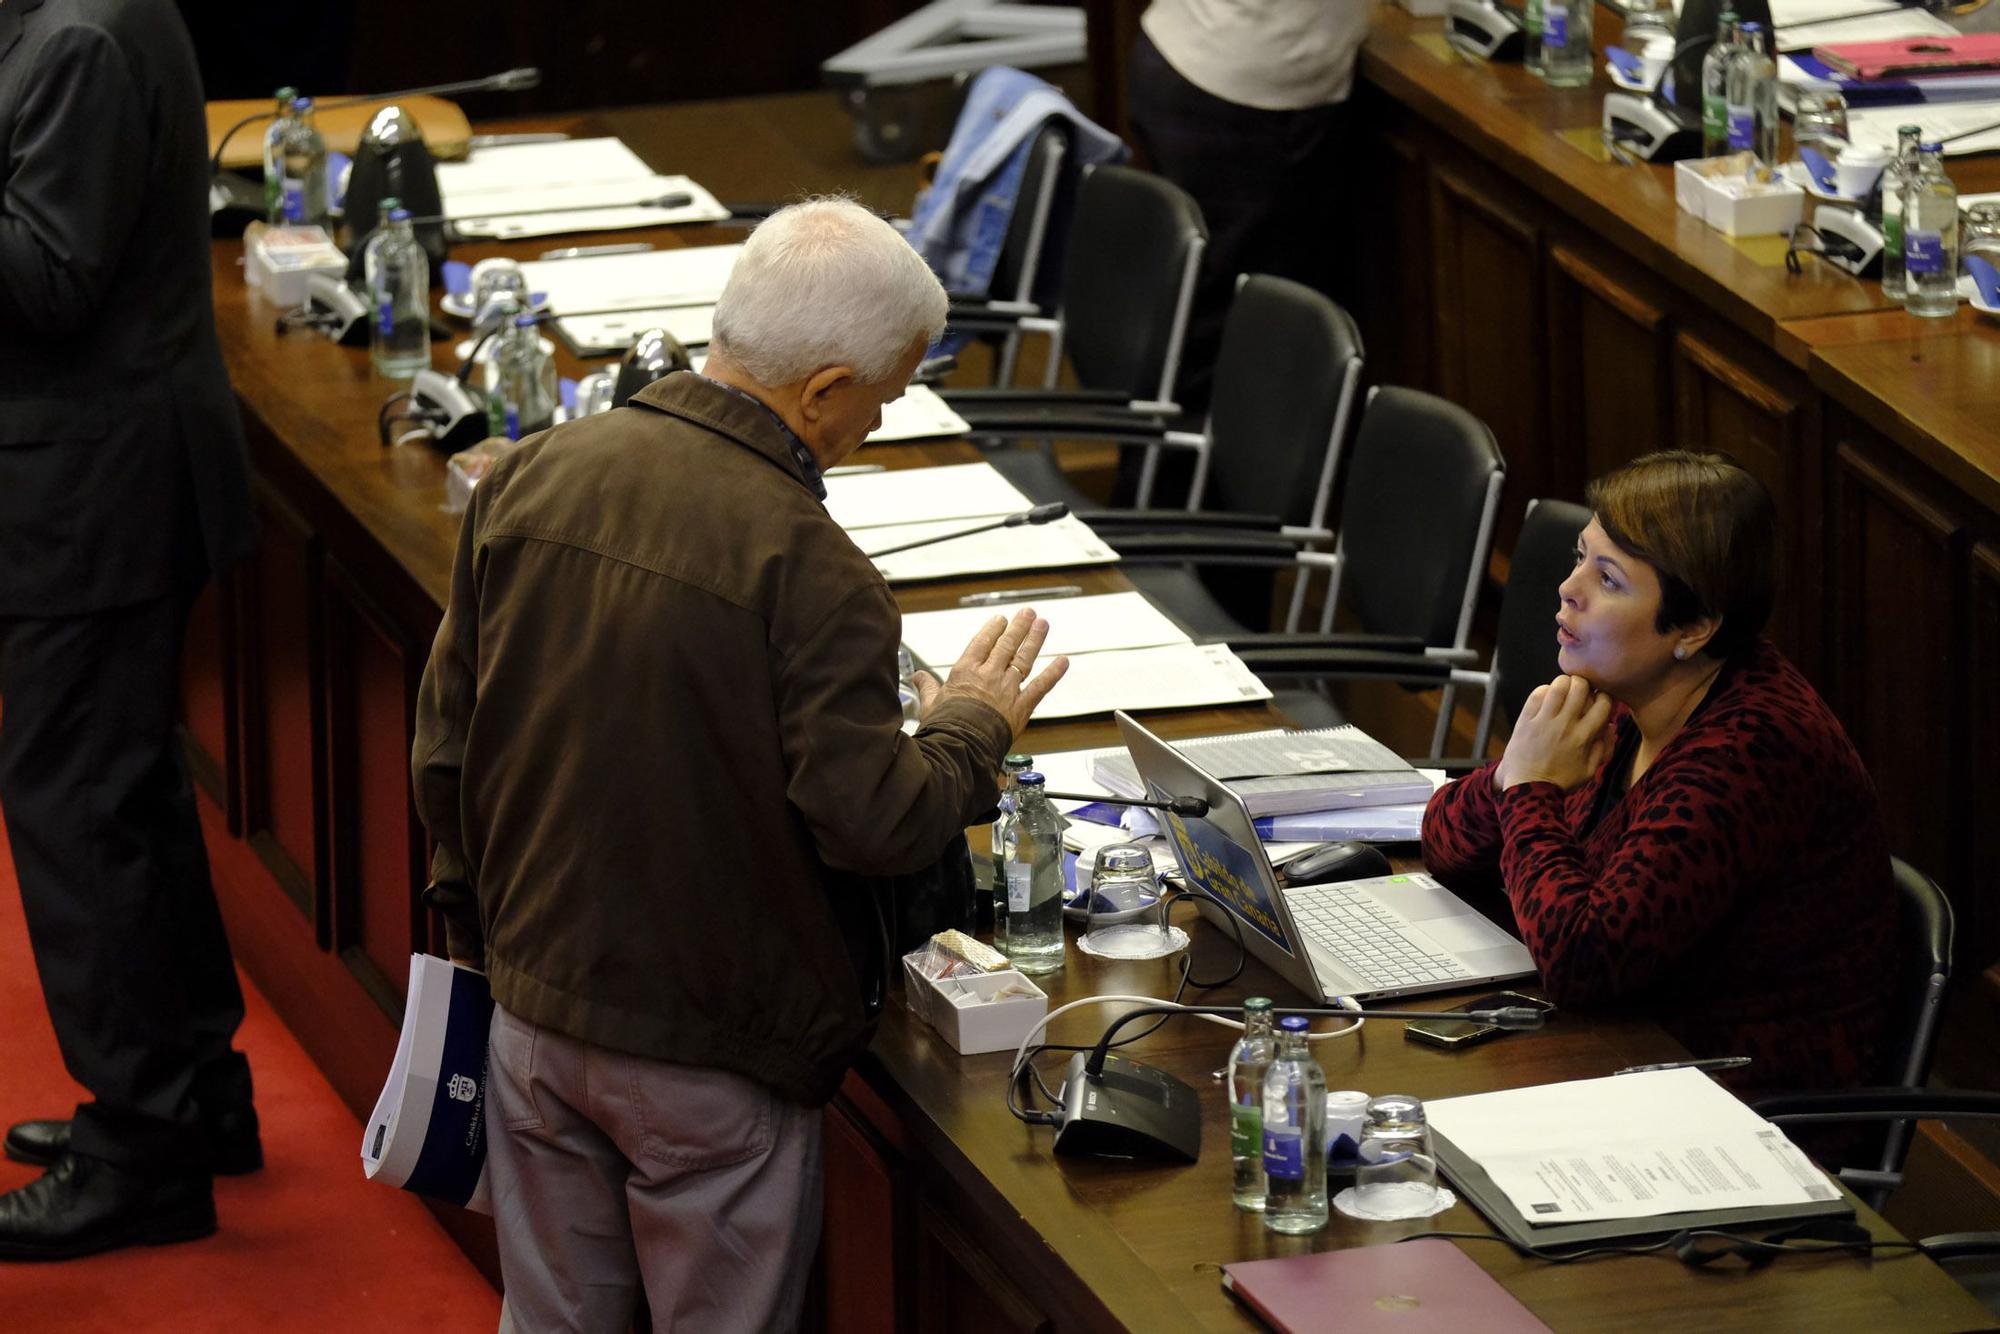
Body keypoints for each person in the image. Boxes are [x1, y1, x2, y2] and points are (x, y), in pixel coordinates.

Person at [411, 198, 1069, 1332]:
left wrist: (483, 946)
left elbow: (444, 750)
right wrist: (969, 725)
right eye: (885, 390)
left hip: (532, 1010)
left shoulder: (530, 475)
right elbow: (871, 822)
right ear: (820, 390)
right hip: (708, 1060)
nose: (885, 413)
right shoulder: (815, 570)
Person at [0, 0, 260, 1258]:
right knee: (130, 796)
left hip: (96, 491)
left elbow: (49, 279)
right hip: (100, 478)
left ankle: (142, 1151)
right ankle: (195, 1095)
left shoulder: (82, 39)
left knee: (77, 812)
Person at [1421, 451, 1896, 1100]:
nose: (1570, 589)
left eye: (1609, 579)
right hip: (1623, 1055)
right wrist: (1515, 779)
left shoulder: (1751, 751)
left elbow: (1583, 961)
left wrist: (1531, 791)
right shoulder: (1628, 696)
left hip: (1738, 1114)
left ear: (1695, 627)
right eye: (1578, 556)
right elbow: (1443, 842)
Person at [1126, 0, 1370, 412]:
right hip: (1243, 89)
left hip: (1189, 51)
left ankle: (1160, 470)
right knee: (1231, 336)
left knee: (1196, 316)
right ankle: (1177, 474)